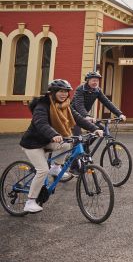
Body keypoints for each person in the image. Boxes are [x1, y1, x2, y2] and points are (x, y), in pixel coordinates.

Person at [19, 79, 104, 213]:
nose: (64, 94)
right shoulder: (42, 105)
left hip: (47, 140)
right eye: (60, 91)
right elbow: (41, 123)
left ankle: (56, 167)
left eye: (66, 91)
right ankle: (30, 201)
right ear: (52, 92)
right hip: (33, 143)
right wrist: (53, 134)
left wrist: (94, 129)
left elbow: (78, 119)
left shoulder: (65, 105)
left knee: (67, 143)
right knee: (42, 171)